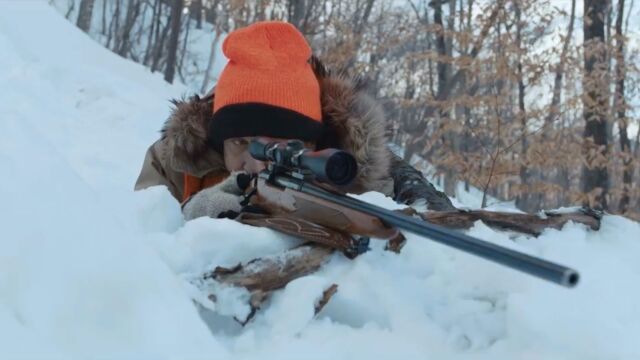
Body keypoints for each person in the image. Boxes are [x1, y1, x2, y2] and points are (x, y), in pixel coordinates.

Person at [134, 21, 454, 220]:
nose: (257, 163)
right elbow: (136, 246)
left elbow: (419, 213)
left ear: (315, 143)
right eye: (242, 143)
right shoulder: (174, 162)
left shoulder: (347, 162)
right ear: (218, 140)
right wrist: (197, 217)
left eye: (283, 146)